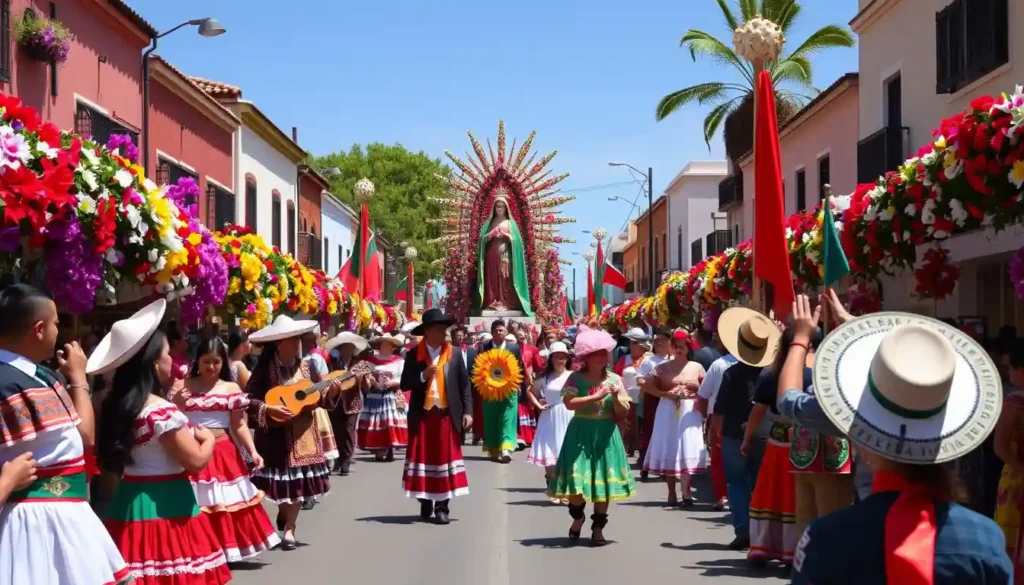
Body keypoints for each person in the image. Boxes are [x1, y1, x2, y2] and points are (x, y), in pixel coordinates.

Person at [787, 294, 1012, 584]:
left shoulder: (825, 540)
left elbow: (788, 401)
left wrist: (800, 338)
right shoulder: (985, 541)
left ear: (865, 443)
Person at [92, 300, 231, 585]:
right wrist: (209, 442)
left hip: (127, 501)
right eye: (168, 353)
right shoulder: (159, 410)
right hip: (168, 504)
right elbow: (194, 461)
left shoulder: (113, 404)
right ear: (155, 363)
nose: (174, 360)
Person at [0, 284, 130, 585]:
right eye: (57, 323)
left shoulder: (40, 374)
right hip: (26, 526)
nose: (60, 330)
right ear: (39, 329)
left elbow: (83, 437)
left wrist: (77, 378)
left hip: (63, 521)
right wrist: (7, 481)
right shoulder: (6, 380)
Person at [245, 315, 355, 551]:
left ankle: (290, 530)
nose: (298, 344)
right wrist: (268, 409)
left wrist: (333, 391)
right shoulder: (264, 370)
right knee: (279, 489)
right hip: (275, 438)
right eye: (293, 340)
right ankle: (284, 515)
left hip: (305, 437)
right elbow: (248, 400)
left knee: (297, 489)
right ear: (279, 343)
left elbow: (320, 397)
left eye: (298, 340)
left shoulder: (308, 366)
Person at [174, 336, 280, 562]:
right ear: (197, 361)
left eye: (216, 362)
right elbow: (172, 420)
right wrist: (177, 403)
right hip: (189, 450)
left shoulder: (231, 388)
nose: (211, 367)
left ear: (222, 362)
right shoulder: (183, 386)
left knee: (222, 504)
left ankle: (222, 551)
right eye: (206, 362)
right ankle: (197, 549)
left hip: (222, 452)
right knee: (195, 503)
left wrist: (252, 451)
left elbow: (238, 424)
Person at [548, 326, 636, 546]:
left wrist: (615, 398)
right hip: (580, 432)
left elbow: (622, 413)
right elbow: (569, 404)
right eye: (596, 353)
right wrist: (596, 396)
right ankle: (578, 517)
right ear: (586, 357)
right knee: (576, 485)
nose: (602, 357)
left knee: (602, 483)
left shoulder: (615, 379)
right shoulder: (576, 378)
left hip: (605, 434)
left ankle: (598, 528)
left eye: (604, 353)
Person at [744, 328, 813, 567]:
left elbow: (759, 410)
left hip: (779, 442)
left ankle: (766, 545)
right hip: (807, 442)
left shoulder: (771, 375)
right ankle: (795, 551)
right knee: (799, 496)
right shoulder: (816, 374)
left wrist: (747, 437)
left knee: (773, 493)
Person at [715, 307, 780, 551]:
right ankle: (761, 534)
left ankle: (743, 530)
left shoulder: (731, 374)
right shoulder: (772, 375)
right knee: (760, 484)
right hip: (766, 434)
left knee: (736, 482)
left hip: (734, 433)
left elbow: (719, 408)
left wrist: (716, 431)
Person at [400, 308, 472, 524]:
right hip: (423, 416)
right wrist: (423, 375)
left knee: (445, 461)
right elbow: (405, 383)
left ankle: (442, 507)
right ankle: (426, 500)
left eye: (445, 329)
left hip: (446, 415)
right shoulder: (414, 355)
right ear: (428, 332)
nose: (444, 334)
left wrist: (468, 412)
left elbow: (464, 385)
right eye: (439, 329)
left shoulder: (455, 353)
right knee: (424, 459)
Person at [642, 330, 707, 506]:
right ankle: (671, 492)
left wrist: (697, 387)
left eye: (683, 347)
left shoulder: (697, 367)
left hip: (689, 410)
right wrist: (665, 394)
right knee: (670, 446)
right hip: (668, 409)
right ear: (671, 347)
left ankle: (686, 492)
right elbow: (647, 387)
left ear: (688, 348)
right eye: (676, 346)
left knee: (687, 447)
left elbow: (707, 390)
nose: (679, 350)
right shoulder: (662, 368)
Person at [476, 319, 529, 462]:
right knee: (491, 417)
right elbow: (478, 368)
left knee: (508, 417)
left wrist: (519, 386)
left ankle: (506, 448)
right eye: (496, 330)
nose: (499, 333)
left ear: (506, 332)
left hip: (509, 389)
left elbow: (520, 369)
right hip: (490, 390)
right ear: (492, 332)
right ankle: (493, 448)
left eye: (502, 330)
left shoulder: (514, 348)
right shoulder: (484, 347)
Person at [526, 342, 574, 488]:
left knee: (567, 451)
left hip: (570, 415)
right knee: (550, 451)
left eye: (563, 357)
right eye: (557, 357)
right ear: (551, 359)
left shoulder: (573, 376)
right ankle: (552, 484)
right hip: (550, 417)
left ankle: (565, 485)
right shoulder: (545, 377)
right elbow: (529, 390)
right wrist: (539, 405)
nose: (560, 360)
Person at [994, 340, 1024, 574]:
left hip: (1017, 479)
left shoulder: (1015, 402)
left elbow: (1000, 445)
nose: (1009, 374)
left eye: (1011, 369)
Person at [357, 332, 408, 462]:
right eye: (383, 344)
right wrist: (370, 380)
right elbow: (364, 376)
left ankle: (389, 448)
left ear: (393, 347)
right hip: (374, 395)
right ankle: (378, 451)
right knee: (376, 423)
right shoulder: (370, 361)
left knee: (388, 422)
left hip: (390, 394)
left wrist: (392, 382)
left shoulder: (399, 362)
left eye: (388, 344)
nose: (385, 346)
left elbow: (404, 379)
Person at [477, 195, 532, 314]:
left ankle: (506, 302)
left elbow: (517, 241)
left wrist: (508, 237)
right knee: (492, 278)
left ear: (506, 208)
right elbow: (482, 240)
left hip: (505, 252)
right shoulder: (490, 223)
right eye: (497, 206)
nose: (500, 208)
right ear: (494, 208)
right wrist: (490, 235)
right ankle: (493, 301)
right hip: (492, 253)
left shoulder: (510, 223)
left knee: (505, 276)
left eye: (502, 206)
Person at [324, 331, 369, 476]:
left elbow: (366, 388)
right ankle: (339, 457)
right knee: (337, 431)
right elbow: (327, 380)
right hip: (335, 401)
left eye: (350, 346)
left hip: (352, 402)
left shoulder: (360, 364)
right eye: (345, 346)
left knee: (349, 431)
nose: (347, 349)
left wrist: (364, 379)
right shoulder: (332, 363)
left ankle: (346, 461)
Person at [636, 329, 671, 480]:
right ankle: (645, 465)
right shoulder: (649, 361)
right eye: (657, 341)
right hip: (653, 399)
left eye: (663, 341)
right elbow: (639, 379)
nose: (659, 344)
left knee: (668, 433)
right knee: (650, 431)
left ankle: (666, 468)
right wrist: (652, 385)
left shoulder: (674, 359)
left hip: (670, 400)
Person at [514, 328, 541, 448]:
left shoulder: (532, 349)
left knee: (529, 408)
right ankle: (519, 436)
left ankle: (530, 436)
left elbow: (538, 365)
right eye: (518, 337)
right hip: (515, 382)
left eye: (522, 337)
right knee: (518, 408)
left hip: (528, 382)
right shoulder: (512, 349)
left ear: (526, 336)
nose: (521, 339)